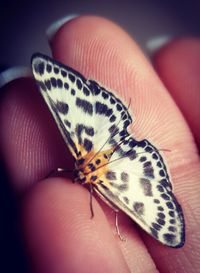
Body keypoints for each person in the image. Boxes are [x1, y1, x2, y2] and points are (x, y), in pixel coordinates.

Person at [0, 16, 199, 273]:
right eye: (82, 175)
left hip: (97, 139)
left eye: (82, 174)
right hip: (108, 146)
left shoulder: (90, 172)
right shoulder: (93, 176)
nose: (81, 176)